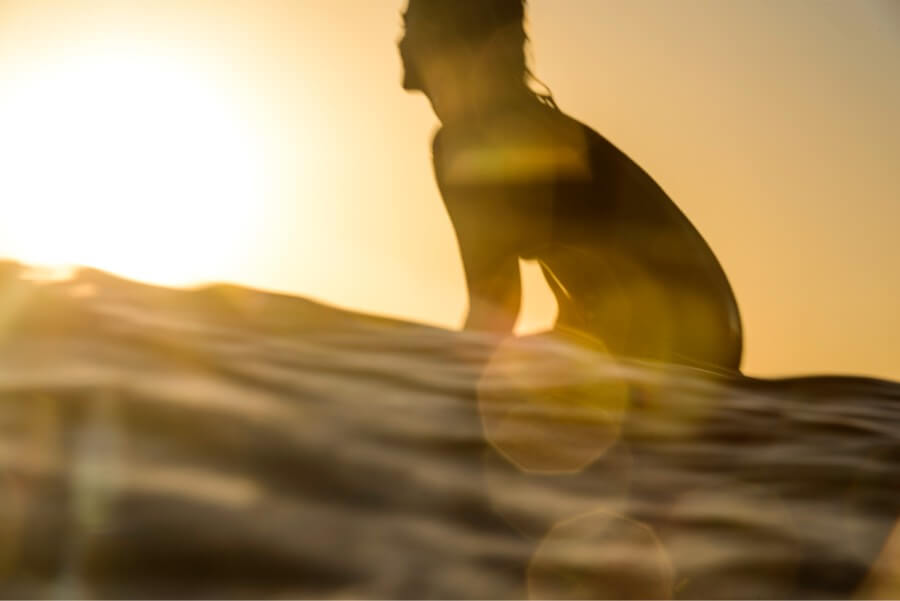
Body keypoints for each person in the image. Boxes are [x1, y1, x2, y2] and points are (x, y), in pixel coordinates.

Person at [398, 0, 743, 373]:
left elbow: (496, 308)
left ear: (444, 35)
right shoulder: (523, 125)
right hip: (711, 331)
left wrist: (434, 396)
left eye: (410, 21)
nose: (401, 39)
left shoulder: (469, 140)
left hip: (673, 340)